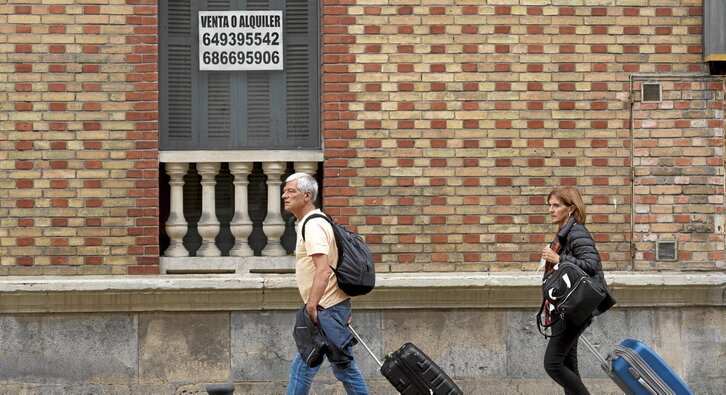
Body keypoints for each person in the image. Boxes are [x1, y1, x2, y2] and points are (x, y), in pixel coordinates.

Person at [282, 172, 369, 395]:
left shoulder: (312, 225)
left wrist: (312, 306)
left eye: (291, 191)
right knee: (331, 367)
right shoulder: (313, 222)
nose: (285, 195)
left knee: (313, 367)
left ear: (307, 195)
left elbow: (323, 270)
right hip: (330, 306)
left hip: (324, 308)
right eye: (284, 191)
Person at [540, 186, 616, 395]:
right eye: (550, 205)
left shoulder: (577, 232)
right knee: (568, 364)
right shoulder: (564, 234)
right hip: (566, 307)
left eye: (556, 205)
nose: (551, 210)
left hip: (574, 308)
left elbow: (591, 264)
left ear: (571, 209)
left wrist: (560, 259)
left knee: (553, 364)